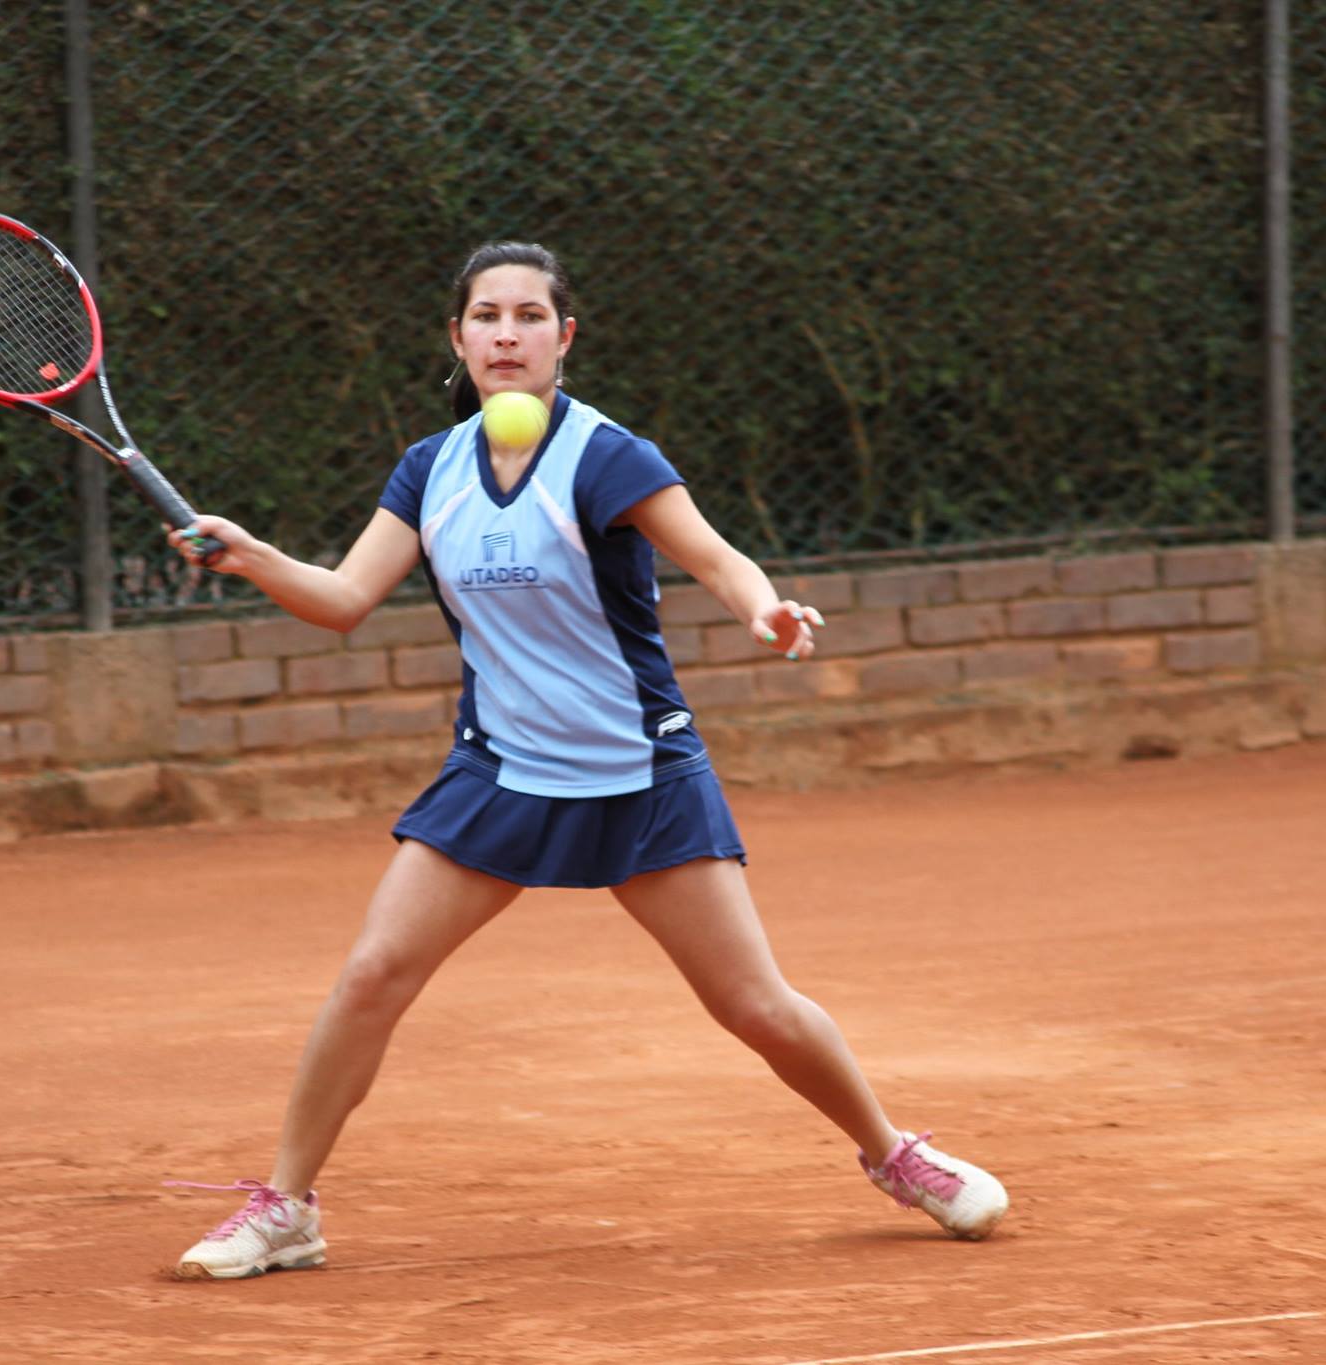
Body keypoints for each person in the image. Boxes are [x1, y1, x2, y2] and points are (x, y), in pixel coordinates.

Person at [161, 241, 1007, 1279]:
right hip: (499, 770)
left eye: (528, 317)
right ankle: (287, 1206)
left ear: (564, 338)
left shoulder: (607, 457)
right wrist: (251, 555)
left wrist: (765, 609)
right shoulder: (429, 469)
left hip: (638, 771)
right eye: (486, 316)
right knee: (373, 973)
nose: (505, 335)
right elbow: (342, 600)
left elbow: (714, 557)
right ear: (457, 337)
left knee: (752, 1004)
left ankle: (892, 1154)